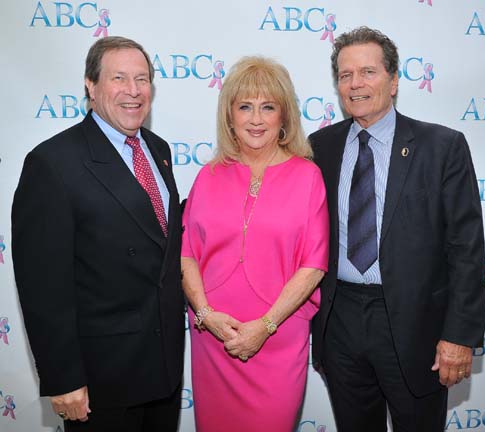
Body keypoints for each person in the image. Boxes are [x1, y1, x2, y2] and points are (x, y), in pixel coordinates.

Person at [309, 26, 485, 431]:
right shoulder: (320, 148)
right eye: (345, 75)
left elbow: (466, 249)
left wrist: (459, 335)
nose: (355, 84)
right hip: (341, 322)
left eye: (368, 72)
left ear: (393, 80)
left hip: (415, 325)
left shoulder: (442, 147)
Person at [11, 36, 184, 432]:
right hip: (101, 379)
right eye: (119, 78)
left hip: (164, 370)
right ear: (90, 85)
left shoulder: (158, 150)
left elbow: (159, 244)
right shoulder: (52, 164)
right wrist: (64, 377)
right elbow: (43, 286)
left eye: (142, 79)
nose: (133, 91)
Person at [181, 56, 329, 431]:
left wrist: (265, 326)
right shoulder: (208, 175)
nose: (256, 119)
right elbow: (186, 256)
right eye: (245, 107)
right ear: (229, 116)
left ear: (284, 117)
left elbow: (313, 266)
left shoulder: (308, 176)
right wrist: (204, 314)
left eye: (268, 107)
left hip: (277, 340)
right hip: (214, 339)